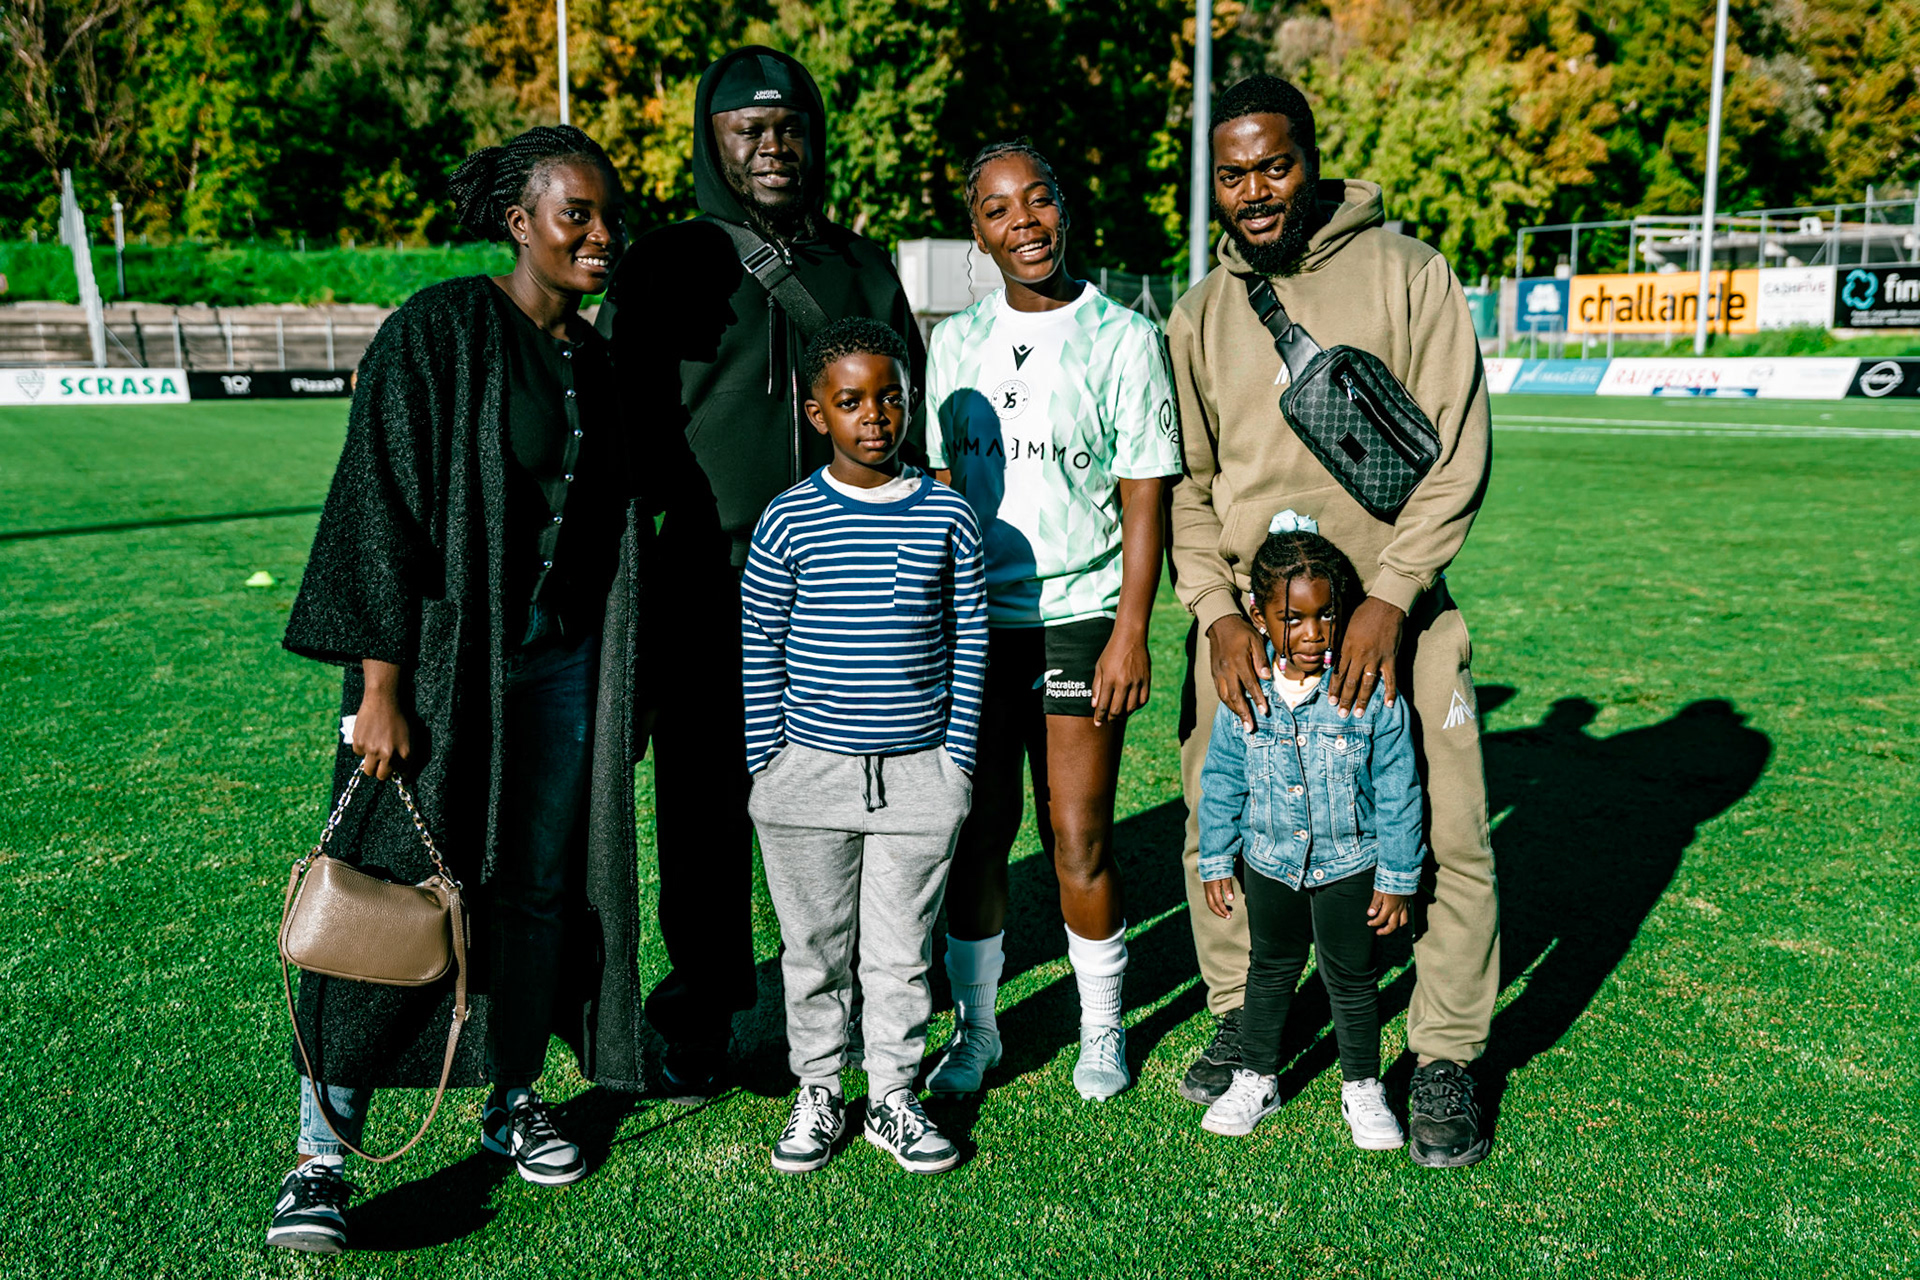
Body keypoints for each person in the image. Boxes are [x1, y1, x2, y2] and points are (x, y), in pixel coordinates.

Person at [268, 126, 654, 1254]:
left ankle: (511, 1099)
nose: (599, 234)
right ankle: (319, 1156)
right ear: (517, 221)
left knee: (534, 892)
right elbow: (377, 503)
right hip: (436, 669)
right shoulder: (437, 331)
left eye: (608, 213)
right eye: (573, 213)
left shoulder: (597, 358)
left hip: (561, 671)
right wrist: (377, 685)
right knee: (385, 889)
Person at [1168, 73, 1499, 1167]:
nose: (1256, 191)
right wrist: (1217, 612)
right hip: (1255, 631)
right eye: (1233, 173)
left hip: (1399, 618)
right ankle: (1242, 1010)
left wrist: (1394, 596)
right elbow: (1187, 483)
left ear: (1313, 161)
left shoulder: (1409, 273)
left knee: (1448, 831)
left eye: (1275, 165)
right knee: (1222, 820)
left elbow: (1457, 452)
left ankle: (1443, 1051)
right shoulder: (1200, 312)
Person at [596, 47, 927, 1096]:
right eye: (747, 130)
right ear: (714, 141)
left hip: (842, 595)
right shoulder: (664, 265)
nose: (771, 147)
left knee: (830, 807)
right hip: (705, 587)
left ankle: (820, 1009)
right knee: (701, 813)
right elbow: (619, 431)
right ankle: (699, 1013)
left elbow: (904, 427)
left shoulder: (863, 269)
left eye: (788, 127)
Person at [922, 141, 1184, 1102]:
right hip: (977, 630)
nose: (1022, 221)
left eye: (1038, 200)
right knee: (977, 832)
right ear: (978, 234)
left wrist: (1131, 629)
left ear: (1064, 209)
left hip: (1080, 614)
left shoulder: (1123, 335)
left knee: (1077, 834)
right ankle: (978, 1032)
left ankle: (1102, 1030)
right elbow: (942, 495)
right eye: (997, 209)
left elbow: (1145, 498)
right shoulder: (952, 342)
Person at [741, 317, 988, 1175]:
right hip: (803, 779)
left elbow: (971, 640)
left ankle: (891, 1094)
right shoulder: (788, 519)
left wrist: (953, 765)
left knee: (898, 953)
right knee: (811, 951)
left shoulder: (947, 513)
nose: (874, 416)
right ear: (818, 414)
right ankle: (818, 1087)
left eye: (890, 398)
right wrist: (765, 764)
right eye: (851, 402)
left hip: (920, 780)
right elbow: (759, 641)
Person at [1193, 512, 1420, 1148]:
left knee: (1350, 975)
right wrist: (1217, 858)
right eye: (1293, 620)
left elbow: (1399, 789)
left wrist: (1399, 877)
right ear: (1260, 618)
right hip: (1269, 863)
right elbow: (1222, 780)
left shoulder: (1370, 691)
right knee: (1270, 968)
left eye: (1325, 615)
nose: (1314, 633)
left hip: (1351, 864)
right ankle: (1256, 1077)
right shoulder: (1246, 691)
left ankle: (1362, 1087)